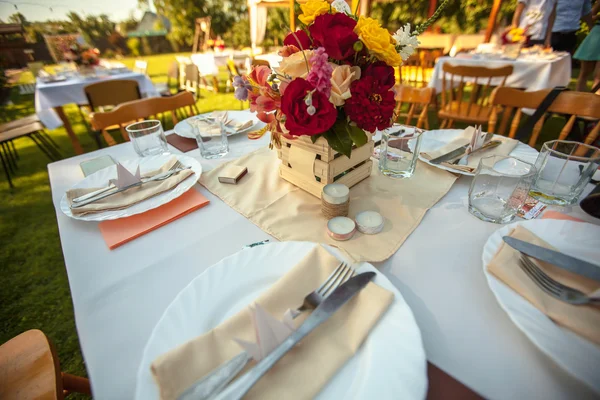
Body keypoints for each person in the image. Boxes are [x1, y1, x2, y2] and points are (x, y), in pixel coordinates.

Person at [574, 0, 600, 92]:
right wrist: (598, 16)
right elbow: (590, 16)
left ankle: (595, 103)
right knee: (584, 71)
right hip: (597, 34)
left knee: (598, 76)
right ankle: (577, 98)